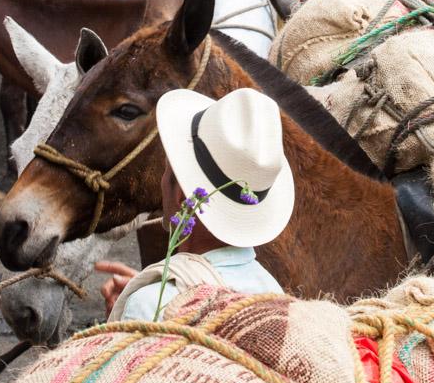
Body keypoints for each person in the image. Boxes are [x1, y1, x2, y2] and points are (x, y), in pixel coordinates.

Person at [97, 88, 294, 321]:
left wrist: (133, 316)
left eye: (168, 170)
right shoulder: (274, 295)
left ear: (181, 196)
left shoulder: (150, 307)